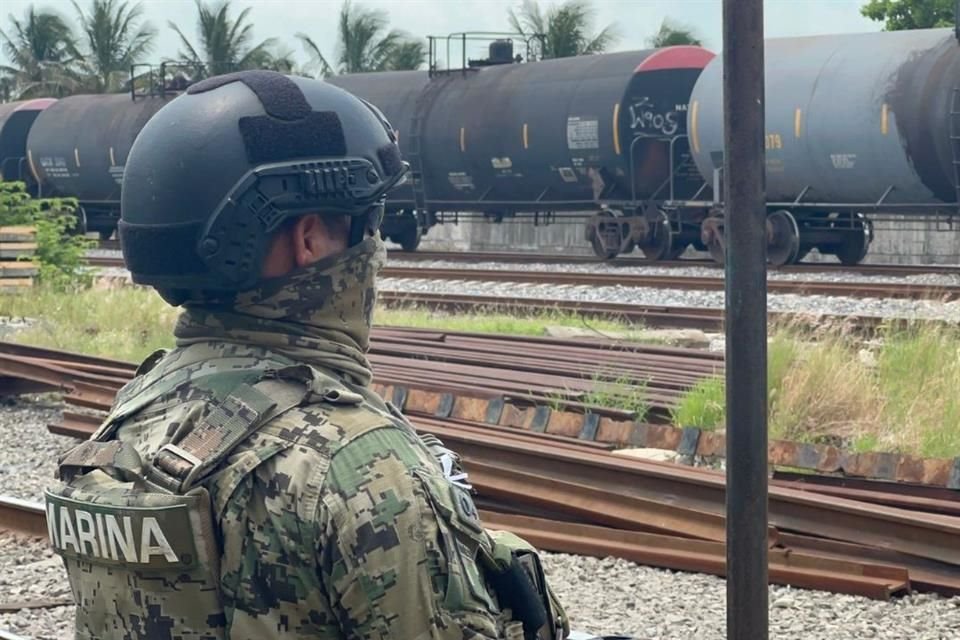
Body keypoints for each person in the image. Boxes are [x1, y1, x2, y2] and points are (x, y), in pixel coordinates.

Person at [43, 70, 568, 640]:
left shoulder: (133, 415)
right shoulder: (359, 463)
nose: (377, 252)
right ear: (312, 238)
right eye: (368, 226)